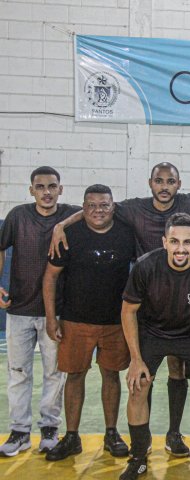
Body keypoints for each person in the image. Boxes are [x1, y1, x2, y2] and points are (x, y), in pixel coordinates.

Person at [50, 162, 190, 456]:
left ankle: (182, 434)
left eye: (170, 181)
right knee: (143, 373)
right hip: (150, 303)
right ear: (150, 182)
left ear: (179, 184)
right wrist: (61, 225)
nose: (164, 186)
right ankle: (142, 443)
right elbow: (99, 209)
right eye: (159, 181)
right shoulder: (134, 208)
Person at [119, 213, 190, 480]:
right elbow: (128, 311)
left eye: (187, 242)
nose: (180, 248)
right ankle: (138, 458)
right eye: (174, 241)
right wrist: (135, 359)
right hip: (154, 331)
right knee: (138, 386)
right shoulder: (146, 266)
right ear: (164, 242)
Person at [41, 184, 135, 461]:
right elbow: (50, 277)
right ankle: (71, 436)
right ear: (83, 208)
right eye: (91, 205)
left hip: (115, 321)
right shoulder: (69, 234)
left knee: (111, 375)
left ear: (113, 207)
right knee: (75, 376)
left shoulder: (126, 234)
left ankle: (111, 433)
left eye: (104, 205)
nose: (98, 210)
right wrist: (51, 317)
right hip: (75, 320)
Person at [0, 166, 80, 457]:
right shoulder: (18, 216)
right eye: (40, 186)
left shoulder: (69, 214)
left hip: (55, 312)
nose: (47, 192)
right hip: (19, 309)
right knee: (18, 373)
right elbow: (1, 247)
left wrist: (62, 224)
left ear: (61, 189)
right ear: (31, 190)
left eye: (52, 186)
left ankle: (49, 429)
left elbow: (95, 211)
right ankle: (20, 432)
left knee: (54, 373)